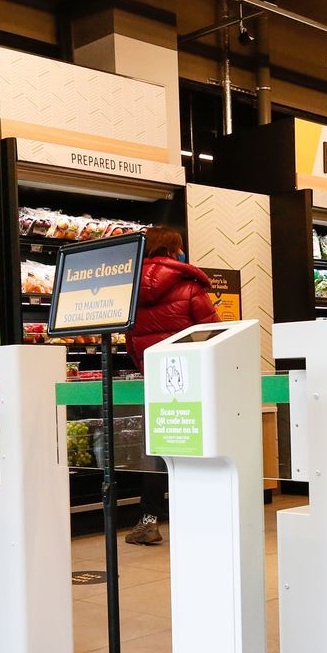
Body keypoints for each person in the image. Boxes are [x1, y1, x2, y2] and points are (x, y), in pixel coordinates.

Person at [123, 225, 219, 546]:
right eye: (178, 248)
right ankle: (200, 519)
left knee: (156, 453)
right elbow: (216, 336)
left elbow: (130, 342)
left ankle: (148, 521)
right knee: (195, 450)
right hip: (193, 384)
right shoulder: (190, 288)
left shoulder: (130, 291)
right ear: (172, 250)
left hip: (155, 383)